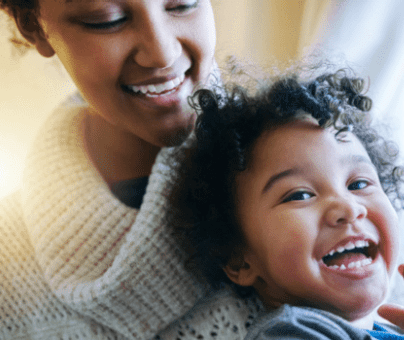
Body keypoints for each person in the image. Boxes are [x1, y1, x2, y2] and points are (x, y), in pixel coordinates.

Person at [170, 68, 404, 339]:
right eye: (300, 195)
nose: (347, 207)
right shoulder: (289, 334)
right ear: (239, 259)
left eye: (359, 183)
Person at [0, 1, 260, 339]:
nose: (162, 54)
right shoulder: (8, 267)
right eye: (107, 20)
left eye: (183, 4)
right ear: (33, 26)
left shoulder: (325, 182)